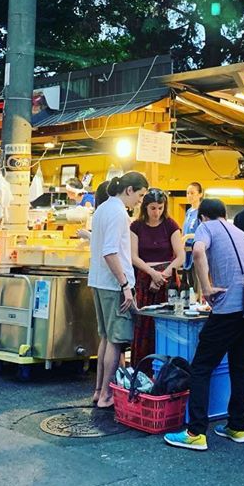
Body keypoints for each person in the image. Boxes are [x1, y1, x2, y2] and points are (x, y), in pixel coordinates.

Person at [164, 198, 244, 451]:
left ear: (203, 217)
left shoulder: (206, 227)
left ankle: (195, 432)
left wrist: (206, 288)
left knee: (201, 367)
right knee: (240, 366)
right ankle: (237, 427)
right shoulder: (241, 233)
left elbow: (197, 251)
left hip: (227, 308)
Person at [89, 171, 148, 409]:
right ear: (129, 190)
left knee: (106, 338)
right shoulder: (118, 213)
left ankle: (98, 391)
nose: (140, 201)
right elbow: (111, 252)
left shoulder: (102, 209)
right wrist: (125, 285)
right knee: (116, 340)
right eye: (140, 195)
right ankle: (106, 395)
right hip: (113, 284)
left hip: (99, 280)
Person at [129, 188, 185, 366]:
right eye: (153, 208)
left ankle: (167, 367)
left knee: (167, 323)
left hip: (167, 281)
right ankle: (142, 368)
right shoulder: (136, 226)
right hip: (145, 278)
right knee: (144, 324)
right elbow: (133, 256)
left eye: (160, 208)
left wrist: (163, 275)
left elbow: (181, 256)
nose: (157, 212)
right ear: (145, 207)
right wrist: (152, 274)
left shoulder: (171, 224)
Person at [182, 181, 203, 274]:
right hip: (186, 251)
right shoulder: (189, 212)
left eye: (192, 193)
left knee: (197, 283)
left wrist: (188, 236)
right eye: (187, 193)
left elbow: (203, 234)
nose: (189, 195)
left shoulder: (202, 212)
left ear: (200, 194)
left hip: (196, 251)